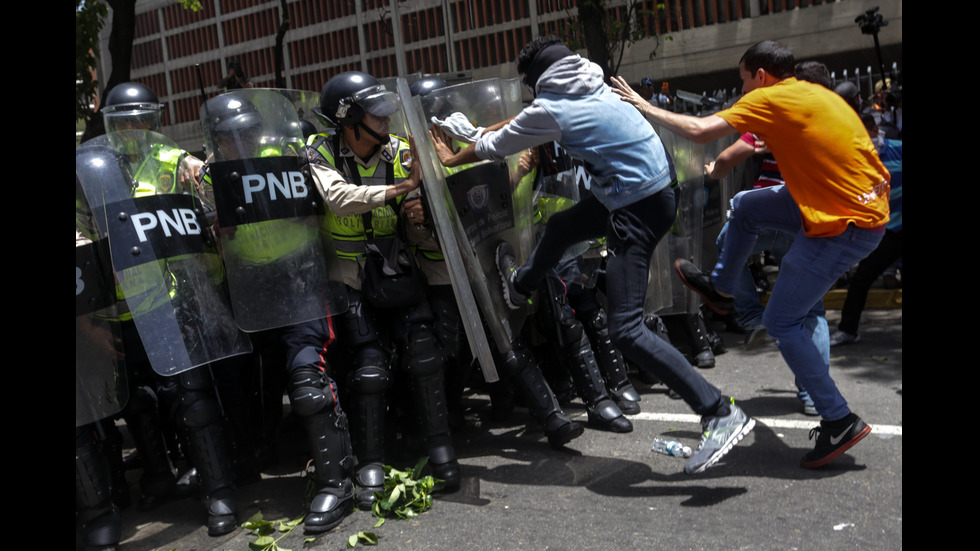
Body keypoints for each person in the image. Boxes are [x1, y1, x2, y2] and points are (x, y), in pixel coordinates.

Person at [432, 36, 755, 475]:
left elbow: (501, 143)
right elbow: (524, 120)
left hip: (632, 209)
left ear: (538, 81)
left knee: (625, 329)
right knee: (563, 226)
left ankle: (718, 411)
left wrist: (454, 157)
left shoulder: (552, 107)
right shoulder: (590, 85)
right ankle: (523, 284)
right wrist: (479, 128)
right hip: (652, 194)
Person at [612, 40, 889, 468]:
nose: (740, 89)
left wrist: (640, 106)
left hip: (845, 225)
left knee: (783, 319)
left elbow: (702, 131)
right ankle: (722, 289)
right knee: (746, 205)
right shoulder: (811, 93)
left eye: (742, 79)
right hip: (849, 205)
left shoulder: (768, 97)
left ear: (759, 76)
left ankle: (839, 419)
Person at [305, 71, 461, 511]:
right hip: (349, 277)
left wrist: (421, 207)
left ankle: (441, 447)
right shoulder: (320, 151)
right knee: (370, 366)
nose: (386, 119)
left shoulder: (399, 150)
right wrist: (401, 189)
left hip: (399, 267)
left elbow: (444, 189)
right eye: (376, 113)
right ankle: (369, 462)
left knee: (425, 352)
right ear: (349, 119)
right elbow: (338, 197)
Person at [829, 113, 902, 346]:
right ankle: (848, 330)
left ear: (873, 129)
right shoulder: (857, 160)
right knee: (862, 278)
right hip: (887, 231)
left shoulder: (897, 149)